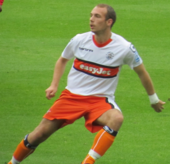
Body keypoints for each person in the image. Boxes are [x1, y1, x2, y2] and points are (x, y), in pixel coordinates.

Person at [7, 4, 165, 164]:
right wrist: (54, 85)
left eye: (97, 16)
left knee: (116, 119)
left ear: (109, 21)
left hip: (99, 100)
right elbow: (62, 60)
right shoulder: (79, 40)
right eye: (91, 15)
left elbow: (142, 72)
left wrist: (154, 100)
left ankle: (88, 162)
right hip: (71, 97)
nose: (91, 19)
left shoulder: (124, 48)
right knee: (39, 134)